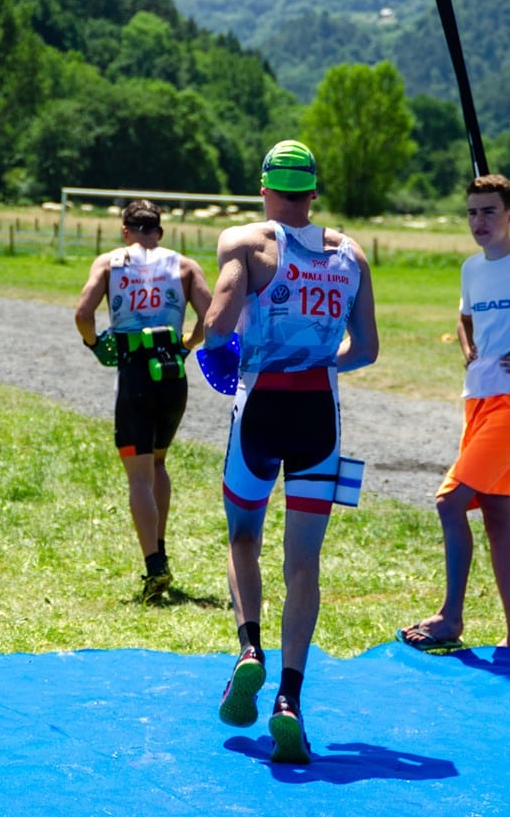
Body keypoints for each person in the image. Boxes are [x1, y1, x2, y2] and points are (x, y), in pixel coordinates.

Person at [203, 139, 378, 763]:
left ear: (265, 189)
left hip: (261, 407)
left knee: (242, 536)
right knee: (304, 562)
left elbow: (218, 324)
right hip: (317, 415)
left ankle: (249, 647)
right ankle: (290, 701)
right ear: (313, 191)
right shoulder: (351, 253)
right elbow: (367, 349)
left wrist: (218, 354)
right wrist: (318, 358)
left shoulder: (246, 244)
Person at [74, 199, 212, 603]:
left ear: (125, 230)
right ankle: (162, 549)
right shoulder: (184, 265)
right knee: (158, 461)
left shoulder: (110, 263)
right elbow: (214, 315)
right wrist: (188, 344)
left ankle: (154, 567)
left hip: (134, 370)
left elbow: (83, 313)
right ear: (160, 231)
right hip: (172, 373)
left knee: (138, 474)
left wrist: (95, 344)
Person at [397, 174, 510, 653]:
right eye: (471, 212)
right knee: (498, 514)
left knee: (449, 501)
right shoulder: (470, 268)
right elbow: (465, 316)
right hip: (477, 397)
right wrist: (467, 347)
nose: (478, 221)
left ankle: (450, 617)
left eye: (488, 211)